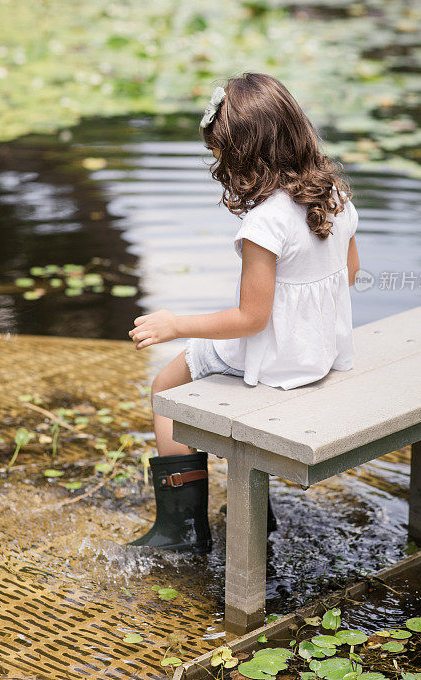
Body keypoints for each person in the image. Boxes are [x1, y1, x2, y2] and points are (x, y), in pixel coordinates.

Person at [127, 72, 360, 553]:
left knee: (167, 384)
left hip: (274, 357)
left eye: (223, 157)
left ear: (245, 156)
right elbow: (350, 274)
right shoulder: (333, 194)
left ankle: (181, 529)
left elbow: (251, 319)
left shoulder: (265, 222)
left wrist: (177, 325)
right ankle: (251, 508)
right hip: (317, 352)